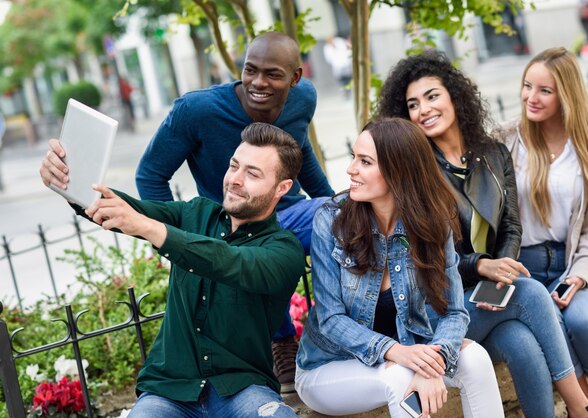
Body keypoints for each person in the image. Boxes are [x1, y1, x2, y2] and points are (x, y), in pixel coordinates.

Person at [40, 31, 334, 394]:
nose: (259, 82)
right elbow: (150, 174)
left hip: (288, 216)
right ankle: (281, 339)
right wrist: (167, 240)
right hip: (227, 227)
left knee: (343, 218)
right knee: (242, 260)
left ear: (295, 78)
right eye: (250, 70)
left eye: (272, 74)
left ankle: (337, 334)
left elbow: (300, 149)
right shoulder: (197, 110)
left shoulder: (303, 98)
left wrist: (333, 201)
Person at [377, 51, 588, 418]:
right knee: (531, 291)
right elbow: (429, 256)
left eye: (432, 96)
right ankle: (581, 408)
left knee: (523, 343)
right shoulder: (415, 171)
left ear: (454, 95)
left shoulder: (493, 153)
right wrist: (483, 267)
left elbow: (511, 226)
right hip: (443, 309)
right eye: (413, 104)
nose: (424, 109)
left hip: (488, 293)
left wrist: (501, 271)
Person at [40, 122, 305, 417]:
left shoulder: (283, 249)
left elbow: (230, 261)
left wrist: (153, 229)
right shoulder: (195, 213)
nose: (235, 180)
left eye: (253, 173)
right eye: (234, 166)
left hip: (241, 391)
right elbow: (121, 209)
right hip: (169, 392)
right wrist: (69, 182)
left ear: (282, 187)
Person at [296, 118, 504, 418]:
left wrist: (436, 357)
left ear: (399, 171)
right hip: (330, 366)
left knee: (476, 360)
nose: (351, 169)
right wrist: (400, 354)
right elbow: (331, 319)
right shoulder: (332, 220)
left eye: (365, 161)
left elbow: (455, 312)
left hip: (408, 353)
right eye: (354, 157)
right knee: (400, 378)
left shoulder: (432, 223)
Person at [497, 47, 588, 418]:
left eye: (544, 91)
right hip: (526, 266)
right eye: (527, 86)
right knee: (551, 326)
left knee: (583, 321)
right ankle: (585, 411)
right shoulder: (507, 139)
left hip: (574, 261)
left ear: (566, 94)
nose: (530, 98)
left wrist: (581, 275)